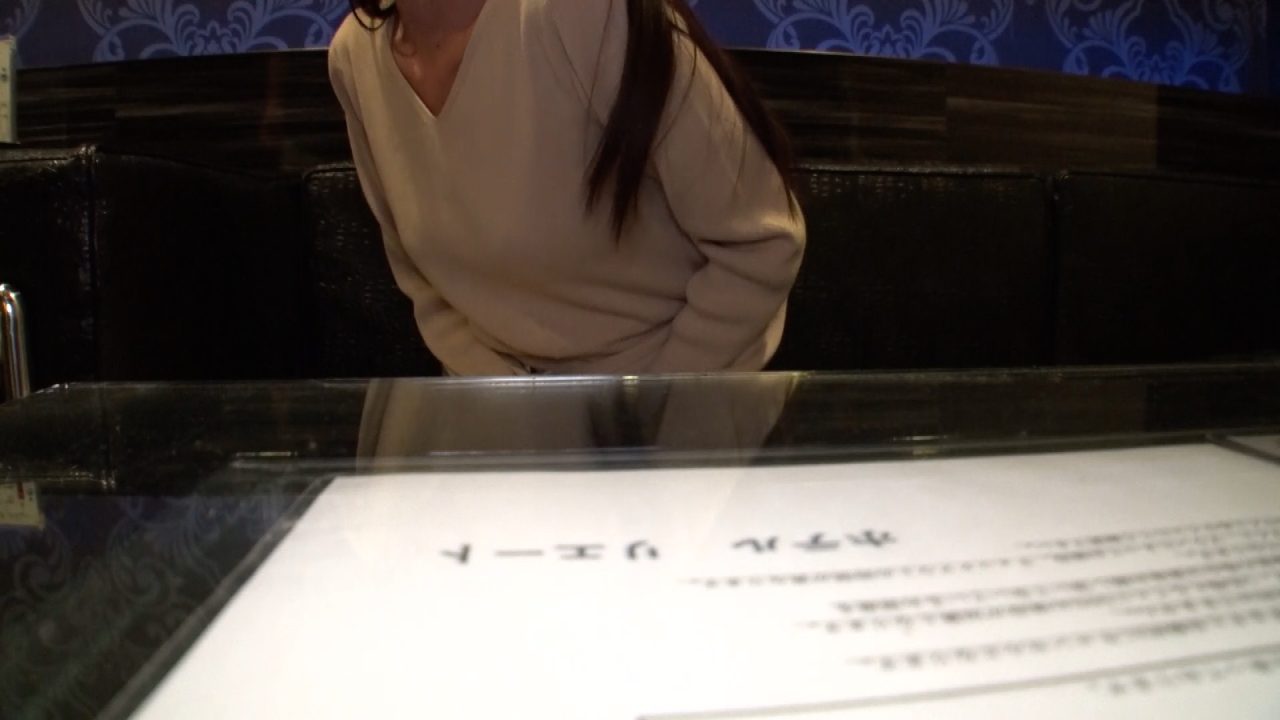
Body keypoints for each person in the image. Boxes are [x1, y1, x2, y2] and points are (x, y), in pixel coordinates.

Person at [329, 0, 805, 375]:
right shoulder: (354, 56)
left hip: (680, 404)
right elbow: (424, 284)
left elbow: (761, 244)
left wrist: (650, 409)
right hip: (498, 424)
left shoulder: (583, 13)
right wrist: (508, 412)